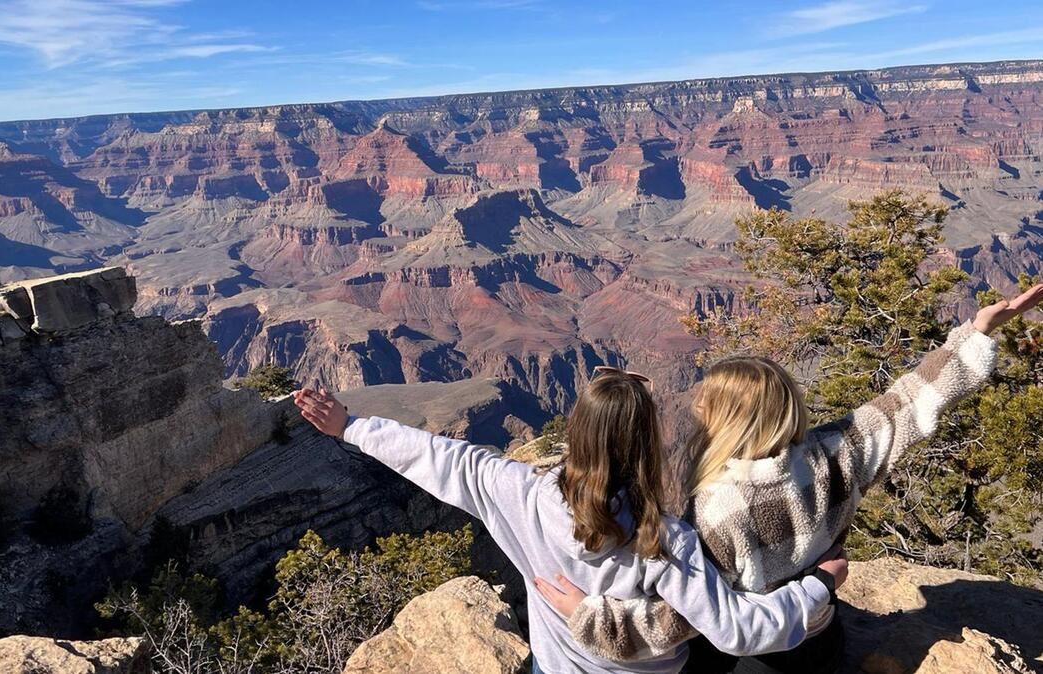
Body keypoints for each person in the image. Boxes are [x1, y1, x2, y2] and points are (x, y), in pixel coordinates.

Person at [533, 284, 1043, 673]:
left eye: (705, 407)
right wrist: (975, 334)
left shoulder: (716, 511)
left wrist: (590, 618)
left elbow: (682, 620)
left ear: (727, 422)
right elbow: (912, 403)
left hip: (736, 647)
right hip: (816, 636)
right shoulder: (837, 452)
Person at [295, 367, 848, 674]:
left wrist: (351, 426)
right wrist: (817, 587)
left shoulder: (520, 494)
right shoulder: (665, 541)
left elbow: (438, 458)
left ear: (576, 432)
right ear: (648, 445)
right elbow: (736, 632)